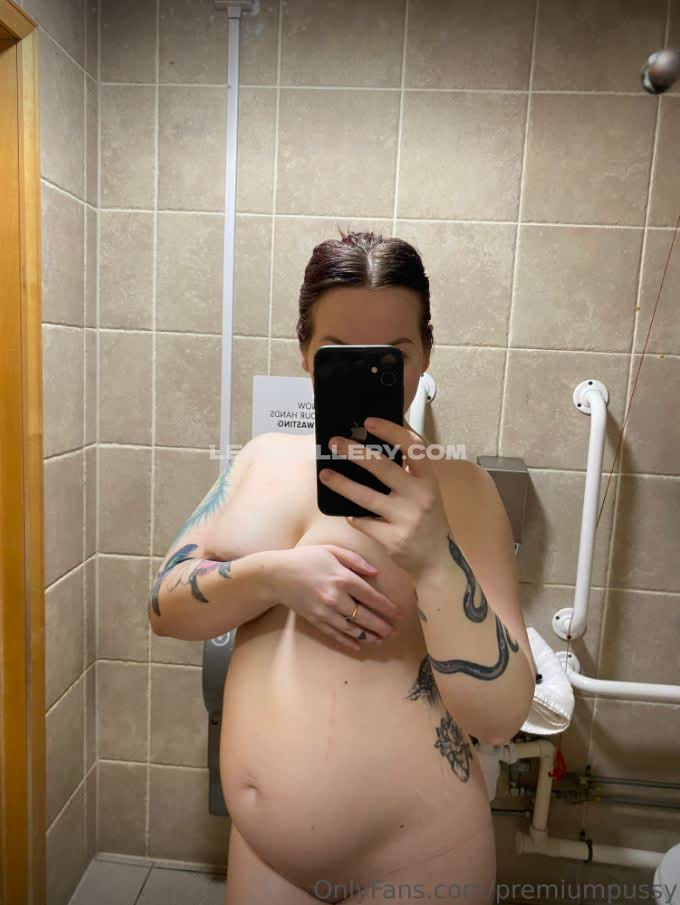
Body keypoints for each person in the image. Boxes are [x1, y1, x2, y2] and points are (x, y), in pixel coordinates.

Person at [148, 230, 536, 904]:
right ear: (305, 352)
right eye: (338, 352)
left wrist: (435, 558)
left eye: (392, 354)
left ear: (425, 355)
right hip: (265, 857)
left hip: (420, 859)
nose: (365, 370)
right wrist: (273, 576)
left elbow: (502, 716)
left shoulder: (464, 491)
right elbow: (162, 608)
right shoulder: (259, 461)